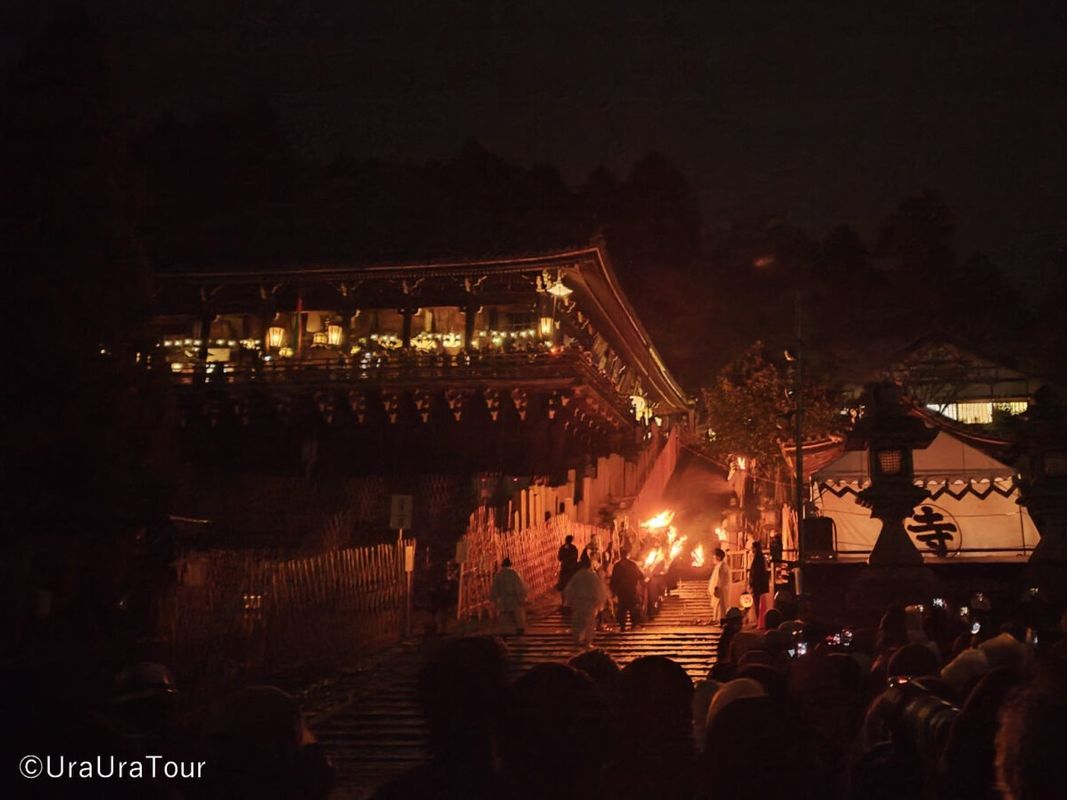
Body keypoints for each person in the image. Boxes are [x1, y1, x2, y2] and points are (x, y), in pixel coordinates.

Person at [564, 554, 608, 647]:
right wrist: (600, 603)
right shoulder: (593, 577)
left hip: (578, 603)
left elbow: (569, 589)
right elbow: (599, 589)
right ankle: (588, 642)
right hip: (590, 604)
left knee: (578, 622)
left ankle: (577, 640)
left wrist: (569, 602)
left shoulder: (577, 576)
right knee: (589, 623)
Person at [609, 547, 645, 631]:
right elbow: (640, 575)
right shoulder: (632, 565)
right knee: (632, 606)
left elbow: (614, 579)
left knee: (622, 608)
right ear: (627, 554)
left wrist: (613, 590)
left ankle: (622, 625)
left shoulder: (617, 566)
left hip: (621, 591)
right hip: (631, 589)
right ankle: (634, 623)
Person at [490, 558, 528, 636]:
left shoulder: (498, 574)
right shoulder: (514, 573)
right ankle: (519, 628)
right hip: (514, 597)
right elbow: (519, 585)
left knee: (504, 615)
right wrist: (522, 596)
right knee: (518, 614)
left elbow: (495, 588)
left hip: (504, 598)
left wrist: (494, 598)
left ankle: (505, 631)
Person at [747, 540, 769, 628]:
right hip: (759, 585)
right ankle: (760, 622)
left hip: (757, 586)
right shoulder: (759, 557)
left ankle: (760, 623)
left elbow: (756, 573)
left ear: (755, 548)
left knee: (758, 604)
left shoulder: (758, 558)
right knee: (758, 604)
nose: (751, 549)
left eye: (752, 547)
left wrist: (752, 584)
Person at [707, 547, 729, 624]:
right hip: (719, 590)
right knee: (719, 607)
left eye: (714, 556)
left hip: (720, 590)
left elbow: (719, 579)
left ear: (718, 557)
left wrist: (716, 588)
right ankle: (719, 620)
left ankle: (722, 621)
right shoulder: (719, 565)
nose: (713, 557)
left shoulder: (722, 566)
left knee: (721, 607)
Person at [556, 535, 579, 607]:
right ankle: (570, 601)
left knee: (563, 584)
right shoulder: (574, 548)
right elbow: (575, 558)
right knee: (570, 584)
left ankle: (563, 601)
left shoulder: (562, 548)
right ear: (572, 540)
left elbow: (559, 558)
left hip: (564, 568)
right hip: (571, 569)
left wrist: (564, 559)